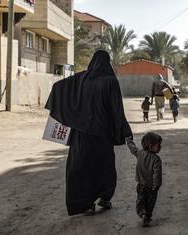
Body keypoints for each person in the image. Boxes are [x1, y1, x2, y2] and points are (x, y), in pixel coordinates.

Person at [45, 50, 132, 216]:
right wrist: (123, 130)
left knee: (81, 167)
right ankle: (105, 198)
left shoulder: (81, 78)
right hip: (102, 134)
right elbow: (116, 109)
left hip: (81, 133)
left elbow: (58, 87)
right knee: (104, 167)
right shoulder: (110, 81)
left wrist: (72, 114)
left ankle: (85, 204)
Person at [126, 133, 163, 227]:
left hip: (141, 185)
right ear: (151, 146)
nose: (160, 147)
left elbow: (132, 148)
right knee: (150, 203)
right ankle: (147, 216)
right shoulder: (156, 159)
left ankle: (142, 214)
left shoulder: (140, 153)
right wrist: (157, 185)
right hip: (152, 187)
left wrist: (129, 140)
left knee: (141, 201)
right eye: (158, 145)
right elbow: (156, 174)